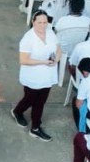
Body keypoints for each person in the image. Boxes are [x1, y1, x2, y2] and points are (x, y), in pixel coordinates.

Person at [13, 10, 60, 140]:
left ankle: (35, 127)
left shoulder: (50, 33)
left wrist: (56, 59)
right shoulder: (28, 39)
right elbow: (23, 60)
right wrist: (43, 62)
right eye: (39, 22)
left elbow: (58, 49)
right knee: (31, 99)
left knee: (40, 101)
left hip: (47, 75)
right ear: (33, 22)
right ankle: (19, 112)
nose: (43, 25)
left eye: (45, 22)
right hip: (33, 76)